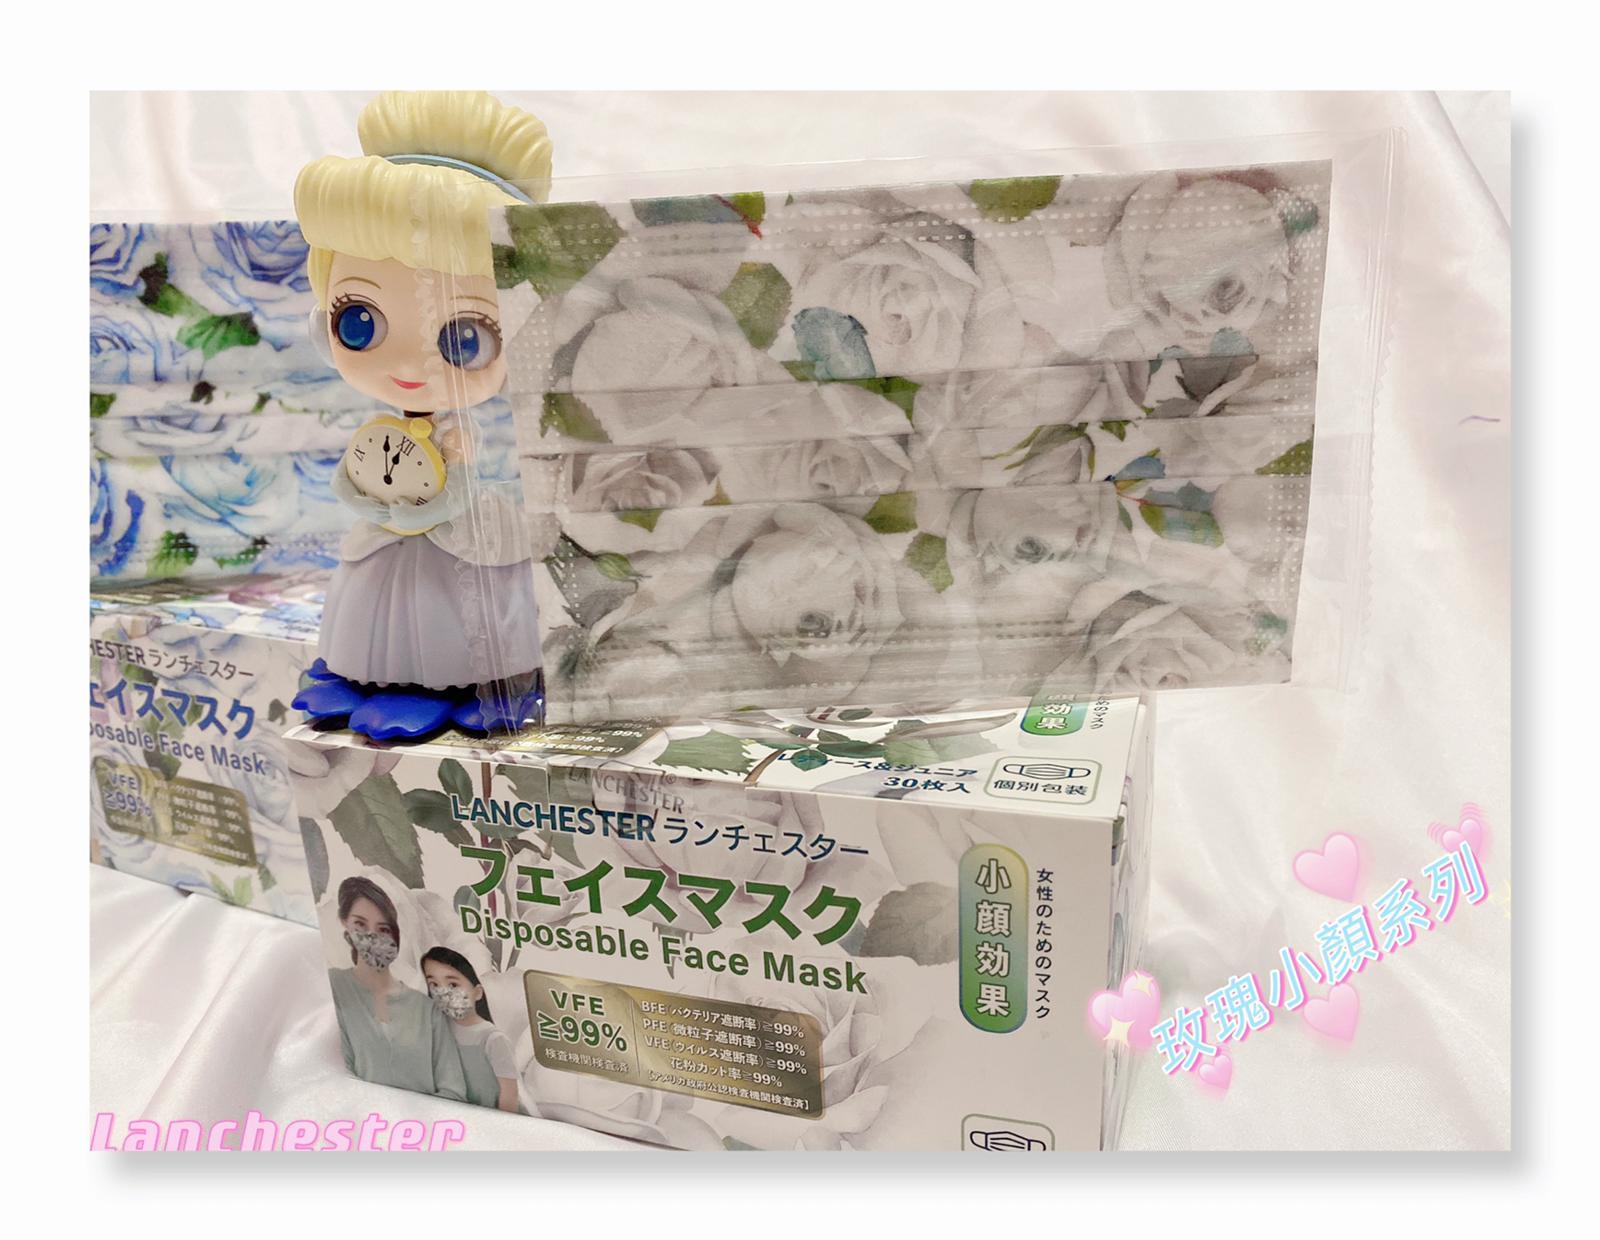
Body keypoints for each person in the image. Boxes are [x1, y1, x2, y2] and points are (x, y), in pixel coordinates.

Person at [291, 91, 551, 739]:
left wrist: (445, 470)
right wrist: (379, 492)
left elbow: (453, 492)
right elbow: (355, 479)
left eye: (465, 337)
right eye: (359, 321)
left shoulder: (463, 436)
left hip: (460, 531)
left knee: (466, 602)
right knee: (378, 597)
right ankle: (377, 677)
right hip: (389, 528)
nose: (409, 364)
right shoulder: (379, 433)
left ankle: (475, 679)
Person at [328, 876, 467, 1101]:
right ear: (344, 922)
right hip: (361, 1116)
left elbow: (454, 1089)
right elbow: (335, 1073)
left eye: (383, 928)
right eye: (360, 924)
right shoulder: (335, 986)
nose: (372, 935)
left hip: (427, 1120)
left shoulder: (426, 1009)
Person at [422, 946, 522, 1113]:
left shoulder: (492, 1039)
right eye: (434, 984)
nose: (444, 992)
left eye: (453, 984)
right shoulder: (436, 1032)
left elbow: (509, 1096)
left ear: (478, 992)